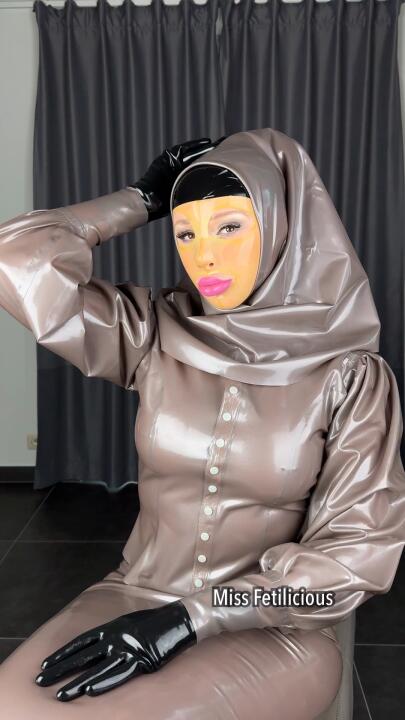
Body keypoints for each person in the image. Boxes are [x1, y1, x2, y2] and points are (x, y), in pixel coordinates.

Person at [0, 127, 404, 720]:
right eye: (186, 233)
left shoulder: (350, 376)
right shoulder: (156, 333)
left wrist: (192, 618)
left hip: (273, 626)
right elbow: (15, 262)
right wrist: (139, 200)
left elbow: (355, 560)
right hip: (133, 595)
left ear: (282, 227)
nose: (204, 255)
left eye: (229, 228)